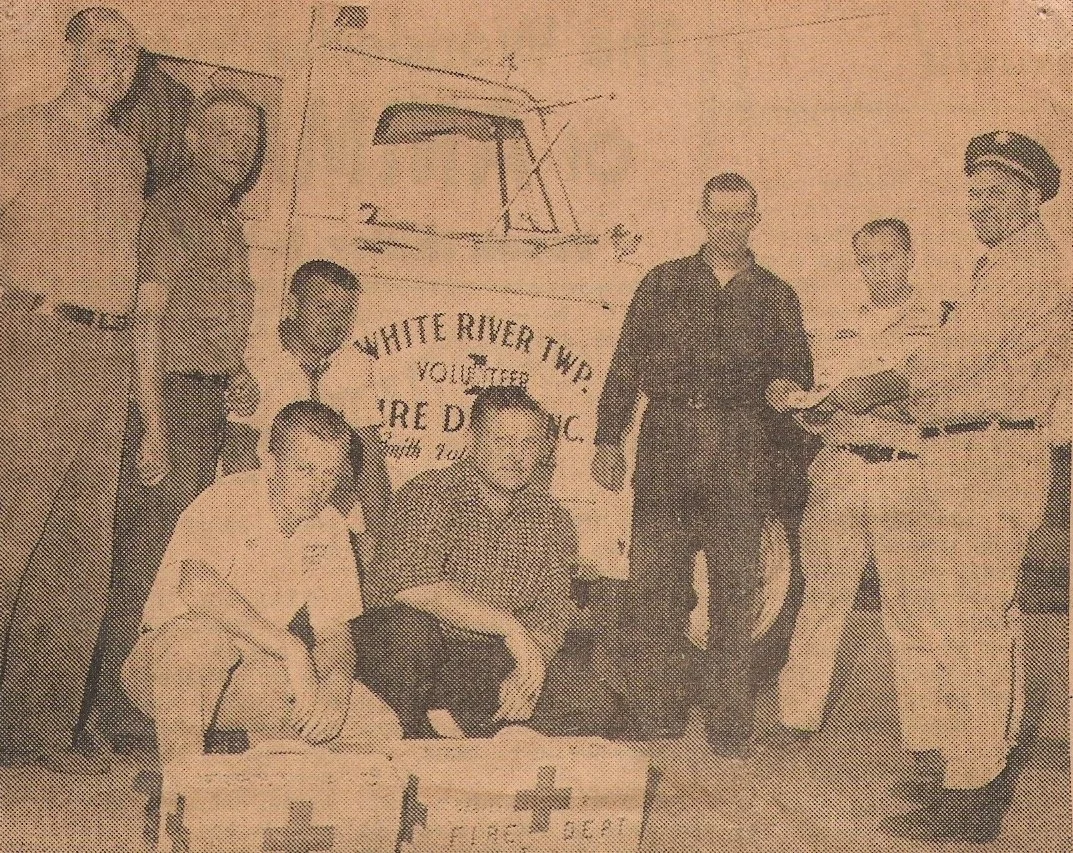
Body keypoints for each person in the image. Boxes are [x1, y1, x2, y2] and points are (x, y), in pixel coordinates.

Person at [820, 132, 1071, 842]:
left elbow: (950, 358)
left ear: (1030, 198)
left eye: (994, 193)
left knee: (976, 629)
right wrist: (881, 403)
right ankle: (972, 772)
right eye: (972, 192)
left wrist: (875, 385)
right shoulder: (1004, 263)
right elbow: (962, 379)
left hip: (990, 459)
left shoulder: (1025, 265)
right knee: (980, 626)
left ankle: (974, 793)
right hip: (971, 453)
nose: (977, 205)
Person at [590, 173, 813, 754]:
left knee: (737, 593)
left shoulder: (777, 295)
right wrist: (610, 440)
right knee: (657, 584)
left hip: (741, 449)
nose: (728, 226)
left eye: (741, 215)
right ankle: (657, 712)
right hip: (665, 442)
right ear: (702, 216)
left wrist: (790, 470)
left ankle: (730, 721)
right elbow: (626, 363)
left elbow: (798, 390)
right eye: (718, 214)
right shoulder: (662, 282)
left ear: (755, 220)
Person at [0, 7, 162, 762]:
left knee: (76, 555)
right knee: (8, 542)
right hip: (33, 344)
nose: (118, 61)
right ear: (67, 52)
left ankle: (36, 730)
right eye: (104, 46)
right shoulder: (22, 131)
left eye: (129, 52)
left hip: (106, 358)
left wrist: (143, 403)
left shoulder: (130, 159)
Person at [84, 88, 266, 753]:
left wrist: (234, 368)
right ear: (192, 139)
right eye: (222, 134)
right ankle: (119, 714)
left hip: (203, 402)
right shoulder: (172, 214)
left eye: (247, 139)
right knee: (147, 562)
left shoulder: (224, 221)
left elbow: (201, 319)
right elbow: (149, 319)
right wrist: (154, 424)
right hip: (170, 402)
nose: (236, 150)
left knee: (184, 559)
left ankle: (155, 705)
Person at [121, 401, 402, 767]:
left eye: (329, 475)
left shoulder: (330, 525)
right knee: (203, 641)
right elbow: (195, 586)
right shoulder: (229, 498)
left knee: (377, 726)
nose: (317, 487)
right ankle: (181, 789)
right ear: (270, 463)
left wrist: (335, 687)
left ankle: (278, 789)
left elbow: (335, 635)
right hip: (170, 668)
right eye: (305, 470)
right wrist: (293, 650)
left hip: (249, 675)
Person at [773, 220, 943, 773]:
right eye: (866, 259)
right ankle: (796, 716)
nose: (878, 269)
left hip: (906, 474)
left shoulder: (941, 321)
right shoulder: (838, 325)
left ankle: (926, 731)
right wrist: (798, 401)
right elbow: (815, 392)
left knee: (911, 607)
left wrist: (880, 397)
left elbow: (937, 399)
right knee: (824, 595)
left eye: (888, 256)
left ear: (909, 256)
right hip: (841, 471)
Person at [364, 385, 624, 739]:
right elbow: (412, 589)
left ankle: (460, 727)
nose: (515, 457)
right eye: (503, 441)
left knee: (597, 705)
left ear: (543, 450)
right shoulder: (429, 493)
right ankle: (423, 732)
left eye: (528, 444)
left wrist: (530, 671)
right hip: (422, 650)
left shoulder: (553, 519)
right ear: (474, 439)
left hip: (488, 659)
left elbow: (550, 613)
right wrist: (509, 627)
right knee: (410, 635)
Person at [242, 260, 392, 561]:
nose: (334, 324)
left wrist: (380, 537)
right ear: (293, 304)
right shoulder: (256, 358)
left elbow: (371, 460)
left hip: (332, 515)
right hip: (268, 510)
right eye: (323, 309)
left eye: (345, 314)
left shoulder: (356, 366)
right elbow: (240, 456)